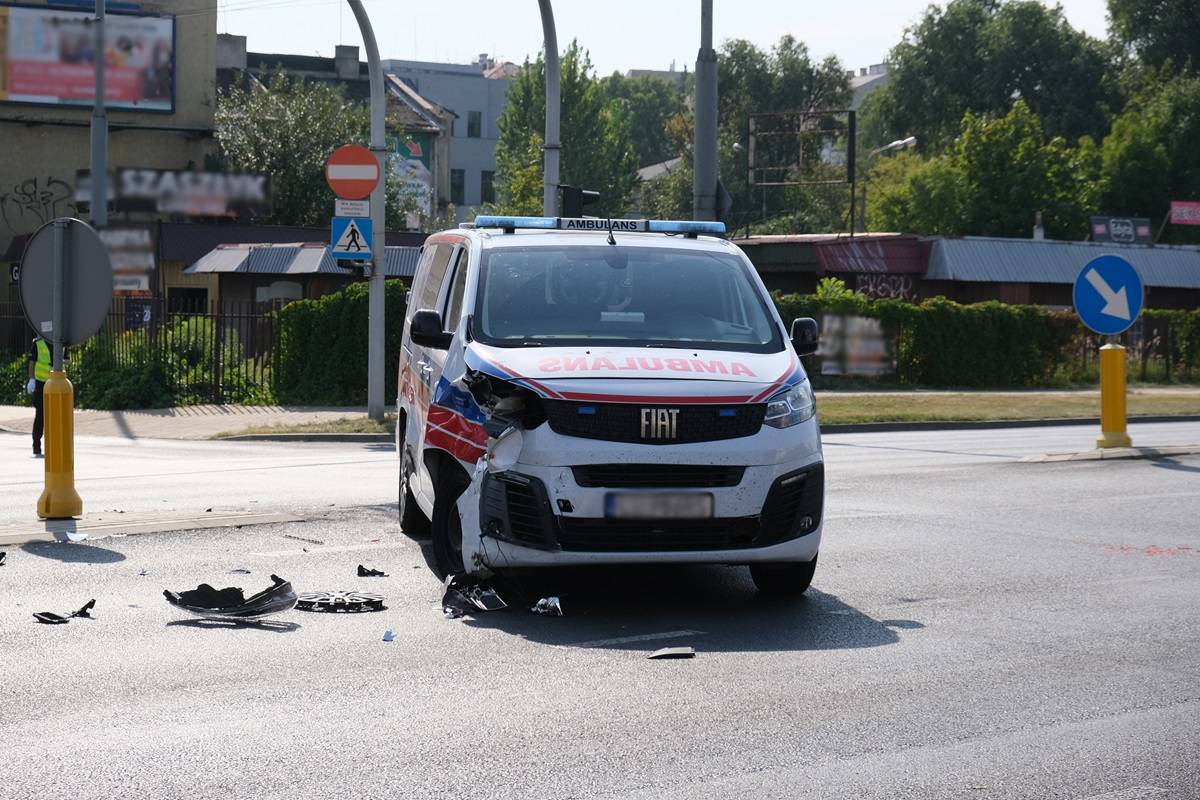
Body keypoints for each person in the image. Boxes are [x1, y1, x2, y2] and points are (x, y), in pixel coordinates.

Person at [27, 335, 50, 458]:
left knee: (54, 416)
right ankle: (37, 447)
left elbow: (67, 359)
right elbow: (32, 362)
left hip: (56, 384)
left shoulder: (62, 342)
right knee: (40, 415)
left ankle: (53, 447)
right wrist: (32, 379)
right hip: (41, 384)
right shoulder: (38, 343)